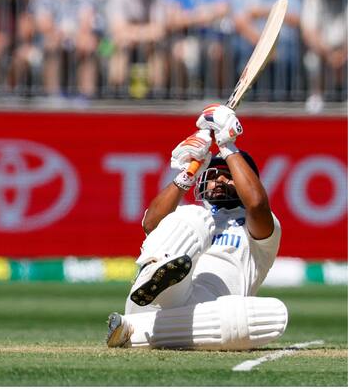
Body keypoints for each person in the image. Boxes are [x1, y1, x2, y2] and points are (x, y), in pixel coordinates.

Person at [106, 104, 287, 350]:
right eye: (213, 175)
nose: (220, 180)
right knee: (193, 216)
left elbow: (255, 203)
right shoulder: (193, 216)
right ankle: (155, 276)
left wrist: (226, 144)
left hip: (209, 315)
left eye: (228, 175)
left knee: (274, 314)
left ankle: (133, 331)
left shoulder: (260, 226)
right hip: (161, 297)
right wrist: (188, 171)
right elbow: (150, 224)